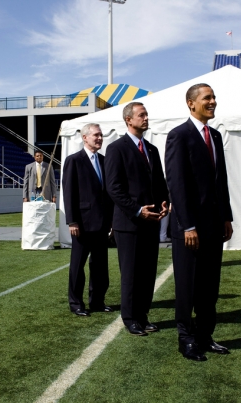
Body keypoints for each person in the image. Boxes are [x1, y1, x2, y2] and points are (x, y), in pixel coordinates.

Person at [165, 84, 234, 361]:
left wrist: (227, 216)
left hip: (214, 226)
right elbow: (177, 185)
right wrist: (188, 225)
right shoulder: (178, 136)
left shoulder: (215, 136)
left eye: (214, 97)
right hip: (189, 228)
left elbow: (222, 182)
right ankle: (186, 339)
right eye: (207, 98)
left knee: (209, 285)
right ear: (191, 103)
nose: (213, 102)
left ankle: (205, 335)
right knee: (187, 285)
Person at [105, 102, 169, 336]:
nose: (146, 118)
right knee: (131, 274)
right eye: (141, 115)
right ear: (128, 120)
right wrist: (136, 210)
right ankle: (130, 318)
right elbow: (113, 187)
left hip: (151, 223)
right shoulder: (116, 149)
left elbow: (160, 182)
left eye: (146, 114)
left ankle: (143, 315)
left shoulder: (151, 149)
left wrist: (164, 203)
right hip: (129, 224)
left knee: (147, 273)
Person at [63, 123, 114, 316]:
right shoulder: (74, 161)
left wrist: (111, 220)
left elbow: (107, 193)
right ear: (85, 138)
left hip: (101, 223)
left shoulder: (104, 160)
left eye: (101, 135)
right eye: (96, 135)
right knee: (78, 266)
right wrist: (72, 221)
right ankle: (76, 303)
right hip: (82, 224)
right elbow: (69, 193)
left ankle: (97, 301)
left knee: (100, 266)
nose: (100, 138)